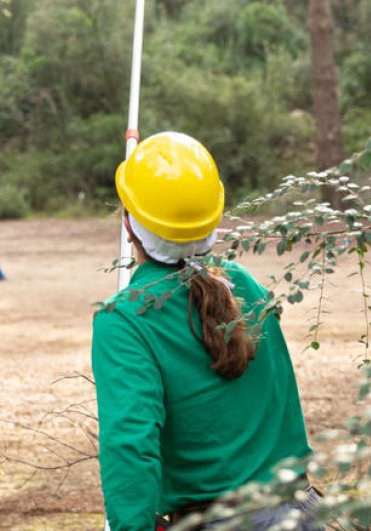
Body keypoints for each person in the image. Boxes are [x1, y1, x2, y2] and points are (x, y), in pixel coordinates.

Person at [92, 132, 317, 531]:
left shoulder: (125, 320)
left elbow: (130, 445)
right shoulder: (244, 285)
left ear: (129, 224)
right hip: (300, 511)